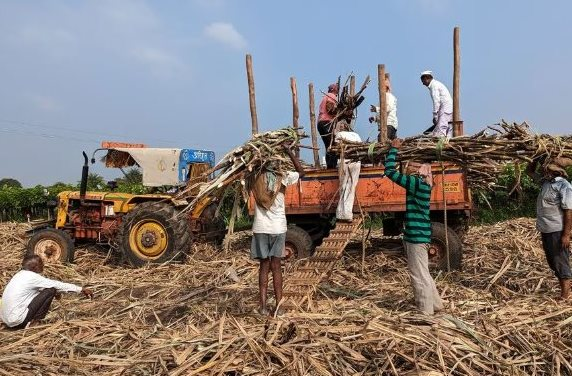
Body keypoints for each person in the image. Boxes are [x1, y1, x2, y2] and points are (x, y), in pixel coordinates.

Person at [384, 138, 443, 315]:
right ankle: (437, 305)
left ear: (419, 171)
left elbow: (389, 172)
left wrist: (393, 150)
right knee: (423, 272)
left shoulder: (416, 184)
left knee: (418, 275)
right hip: (420, 235)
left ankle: (425, 312)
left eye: (411, 165)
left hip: (416, 237)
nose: (408, 167)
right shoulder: (425, 185)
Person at [250, 145, 305, 316]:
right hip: (278, 228)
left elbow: (244, 170)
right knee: (276, 266)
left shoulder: (255, 177)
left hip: (260, 228)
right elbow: (301, 172)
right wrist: (289, 151)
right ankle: (279, 306)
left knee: (264, 267)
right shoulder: (283, 177)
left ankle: (263, 307)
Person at [1, 255, 93, 329]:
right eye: (41, 263)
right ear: (34, 266)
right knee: (50, 290)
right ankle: (35, 322)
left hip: (8, 320)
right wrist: (80, 289)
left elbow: (39, 290)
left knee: (50, 290)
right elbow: (54, 285)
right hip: (18, 320)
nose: (43, 265)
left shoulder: (20, 275)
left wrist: (57, 292)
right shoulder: (32, 277)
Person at [526, 157, 572, 300]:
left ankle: (565, 296)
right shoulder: (545, 182)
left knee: (560, 261)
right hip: (545, 229)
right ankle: (563, 292)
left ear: (556, 170)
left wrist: (566, 234)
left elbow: (568, 211)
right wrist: (535, 157)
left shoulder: (564, 185)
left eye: (547, 167)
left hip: (557, 230)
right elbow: (529, 171)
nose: (544, 169)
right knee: (553, 261)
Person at [335, 123, 361, 222]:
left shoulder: (339, 134)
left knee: (343, 187)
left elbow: (337, 148)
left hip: (344, 161)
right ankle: (347, 213)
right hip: (356, 161)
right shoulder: (356, 135)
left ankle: (342, 213)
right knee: (351, 187)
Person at [420, 71, 453, 138]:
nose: (423, 83)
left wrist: (435, 115)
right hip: (449, 108)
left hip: (444, 108)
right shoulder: (437, 84)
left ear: (426, 78)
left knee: (441, 130)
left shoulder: (434, 85)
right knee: (448, 129)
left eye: (423, 81)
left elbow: (436, 101)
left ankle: (442, 145)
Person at [317, 83, 339, 169]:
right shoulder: (331, 96)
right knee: (332, 144)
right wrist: (338, 111)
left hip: (320, 123)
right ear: (333, 90)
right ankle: (332, 166)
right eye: (337, 89)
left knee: (328, 145)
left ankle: (330, 165)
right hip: (326, 122)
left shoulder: (324, 97)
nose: (337, 90)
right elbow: (330, 108)